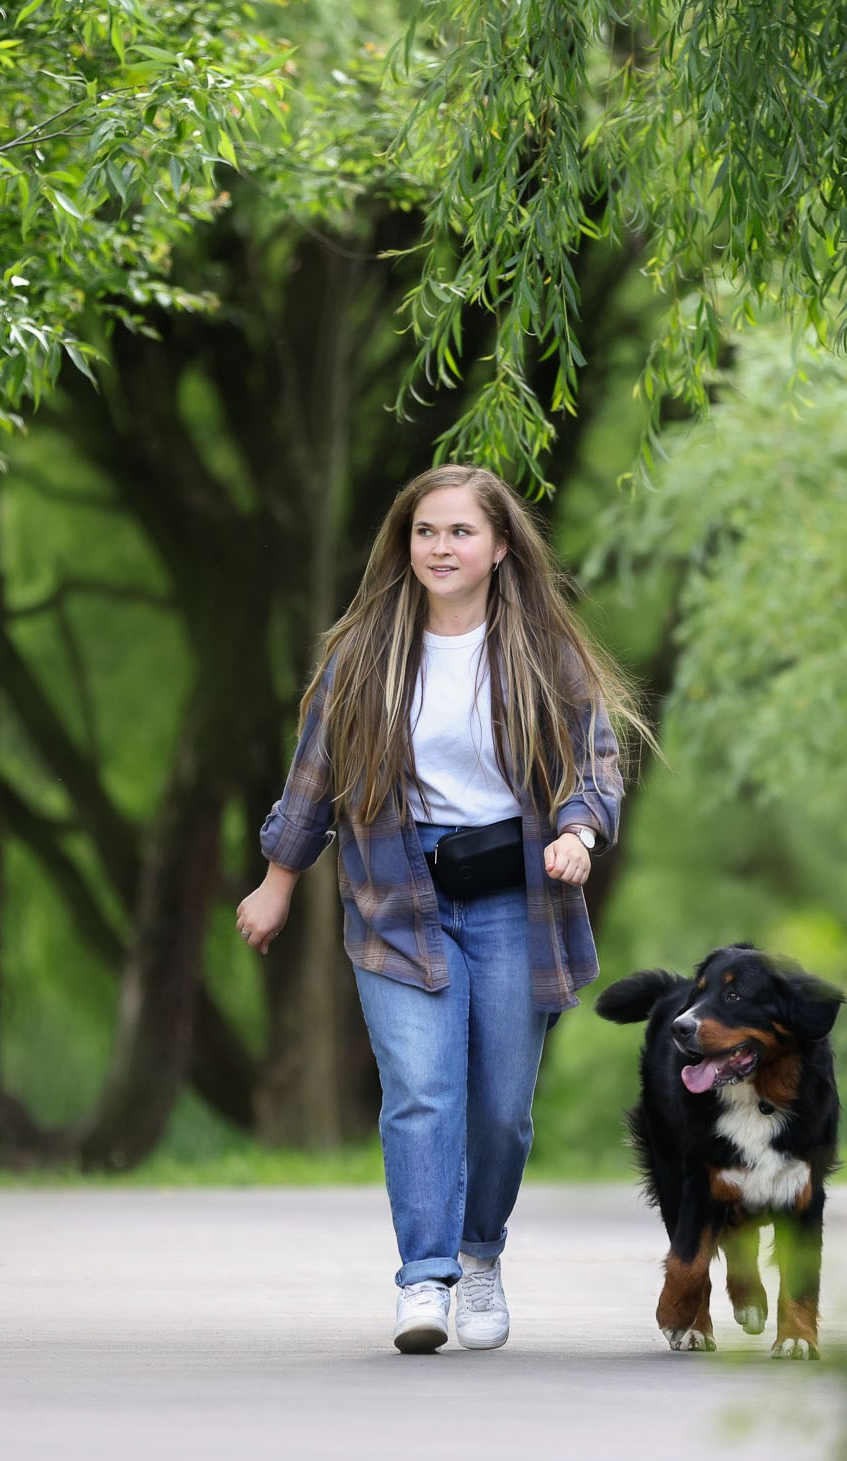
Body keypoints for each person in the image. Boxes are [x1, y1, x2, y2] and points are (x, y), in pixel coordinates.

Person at [237, 464, 644, 1354]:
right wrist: (277, 881)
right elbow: (313, 777)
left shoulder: (544, 651)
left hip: (515, 898)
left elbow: (595, 764)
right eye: (426, 531)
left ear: (500, 547)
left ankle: (480, 1252)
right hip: (395, 893)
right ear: (405, 543)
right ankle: (424, 1276)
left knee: (501, 1108)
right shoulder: (366, 652)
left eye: (461, 531)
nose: (441, 547)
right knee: (422, 1088)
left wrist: (579, 831)